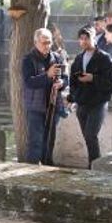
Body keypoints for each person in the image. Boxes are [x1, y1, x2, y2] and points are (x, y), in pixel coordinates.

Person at [68, 26, 112, 167]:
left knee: (91, 135)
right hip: (82, 103)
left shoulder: (104, 58)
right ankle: (94, 164)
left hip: (98, 103)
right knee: (88, 138)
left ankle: (94, 166)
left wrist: (93, 78)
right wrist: (72, 98)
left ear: (94, 38)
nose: (84, 41)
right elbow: (73, 82)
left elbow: (110, 83)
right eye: (81, 39)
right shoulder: (78, 59)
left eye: (87, 38)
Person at [21, 28, 68, 165]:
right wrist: (47, 75)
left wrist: (62, 83)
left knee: (49, 141)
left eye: (49, 42)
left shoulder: (57, 57)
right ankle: (31, 170)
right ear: (36, 43)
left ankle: (47, 168)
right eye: (44, 43)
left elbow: (65, 78)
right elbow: (29, 82)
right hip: (35, 107)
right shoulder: (28, 59)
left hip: (53, 105)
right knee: (35, 142)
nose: (47, 46)